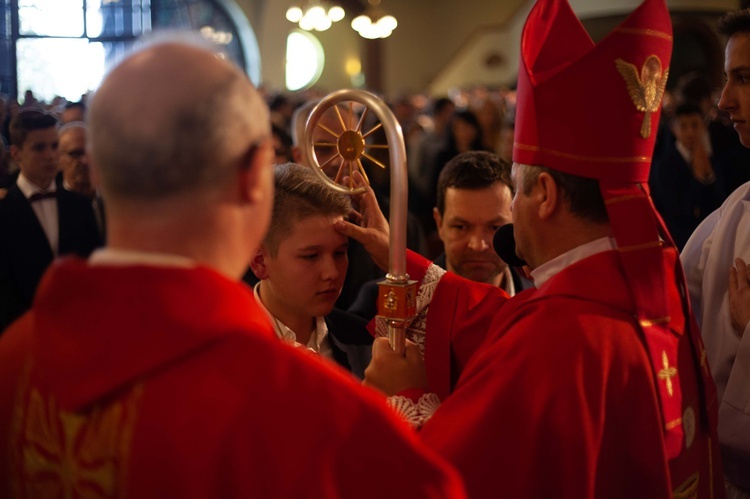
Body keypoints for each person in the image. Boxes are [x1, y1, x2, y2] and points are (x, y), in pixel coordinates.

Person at [0, 40, 466, 498]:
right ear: (251, 177)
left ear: (97, 171)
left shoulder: (14, 357)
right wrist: (407, 403)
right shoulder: (310, 412)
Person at [338, 0, 724, 497]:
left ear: (545, 196)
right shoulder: (654, 294)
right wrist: (395, 254)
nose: (515, 204)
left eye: (517, 190)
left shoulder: (555, 339)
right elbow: (502, 318)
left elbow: (449, 480)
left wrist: (405, 396)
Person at [682, 8, 750, 498]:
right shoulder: (736, 209)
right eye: (727, 80)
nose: (725, 101)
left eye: (744, 79)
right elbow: (674, 296)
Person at [348, 150, 530, 320]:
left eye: (494, 228)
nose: (477, 244)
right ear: (439, 223)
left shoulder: (538, 301)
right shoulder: (380, 300)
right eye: (461, 227)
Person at [249, 162, 374, 378]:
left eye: (339, 253)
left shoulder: (363, 341)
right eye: (311, 256)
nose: (332, 273)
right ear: (260, 261)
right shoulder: (230, 345)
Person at [0, 109, 101, 333]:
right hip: (25, 335)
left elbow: (94, 266)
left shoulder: (79, 205)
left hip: (81, 327)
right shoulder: (4, 213)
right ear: (16, 154)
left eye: (54, 146)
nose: (50, 155)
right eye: (39, 148)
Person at [650, 102, 725, 250]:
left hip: (710, 238)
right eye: (683, 126)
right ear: (674, 129)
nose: (690, 132)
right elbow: (675, 211)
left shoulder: (712, 159)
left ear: (703, 127)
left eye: (695, 125)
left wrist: (709, 176)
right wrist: (697, 179)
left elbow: (720, 203)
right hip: (681, 242)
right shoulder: (664, 166)